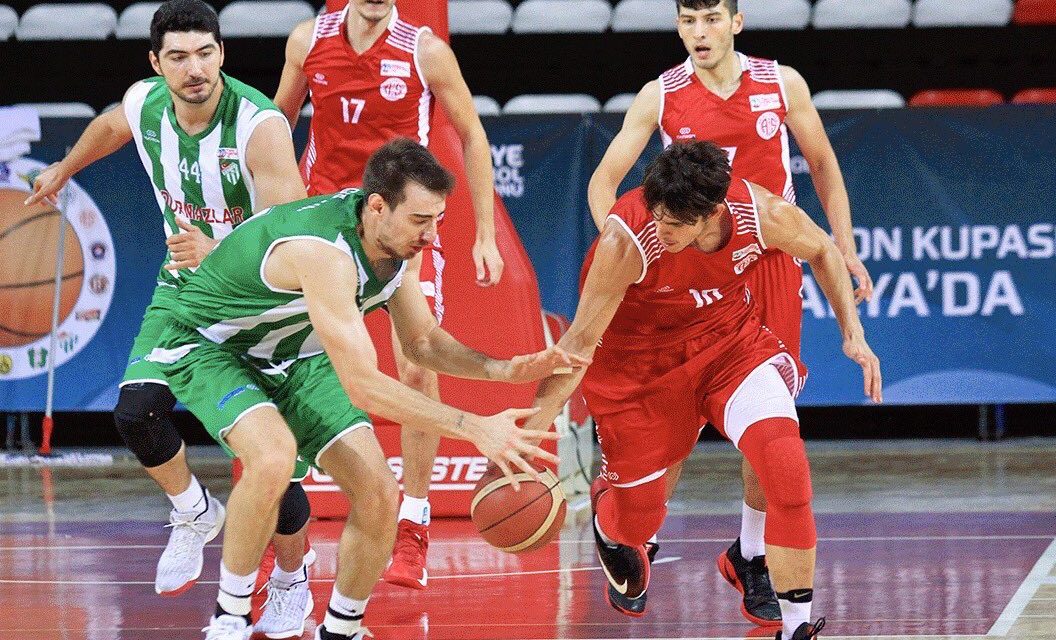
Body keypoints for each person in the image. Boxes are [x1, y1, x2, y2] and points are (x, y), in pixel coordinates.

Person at [147, 139, 583, 640]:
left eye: (437, 219)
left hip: (288, 352)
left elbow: (422, 343)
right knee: (272, 457)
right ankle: (230, 618)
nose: (431, 234)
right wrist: (475, 427)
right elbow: (364, 387)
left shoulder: (396, 247)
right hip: (211, 345)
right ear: (377, 206)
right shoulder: (326, 252)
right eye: (420, 219)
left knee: (379, 491)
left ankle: (341, 628)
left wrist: (506, 370)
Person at [24, 1, 317, 634]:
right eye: (179, 57)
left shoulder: (258, 126)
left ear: (222, 54)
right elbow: (114, 124)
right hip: (185, 292)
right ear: (156, 63)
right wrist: (65, 169)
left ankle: (293, 577)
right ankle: (194, 510)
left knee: (270, 468)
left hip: (260, 305)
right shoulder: (147, 103)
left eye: (206, 53)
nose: (195, 69)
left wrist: (221, 250)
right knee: (135, 412)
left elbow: (293, 235)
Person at [586, 0, 875, 625]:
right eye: (689, 21)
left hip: (765, 254)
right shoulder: (661, 94)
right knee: (682, 403)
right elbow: (604, 180)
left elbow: (823, 164)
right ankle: (640, 527)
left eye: (712, 18)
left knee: (771, 416)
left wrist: (844, 244)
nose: (700, 32)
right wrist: (629, 250)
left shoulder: (781, 82)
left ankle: (751, 552)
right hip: (694, 259)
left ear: (736, 22)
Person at [525, 141, 881, 640]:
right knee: (637, 521)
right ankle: (613, 522)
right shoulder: (626, 241)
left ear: (713, 213)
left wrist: (853, 333)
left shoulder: (761, 214)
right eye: (656, 215)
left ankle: (796, 627)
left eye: (673, 223)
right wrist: (527, 437)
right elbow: (577, 346)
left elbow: (822, 248)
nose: (661, 229)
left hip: (726, 344)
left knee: (784, 462)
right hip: (638, 366)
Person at [271, 0, 503, 590]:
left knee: (418, 364)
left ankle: (414, 523)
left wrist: (484, 232)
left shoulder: (425, 51)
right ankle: (286, 521)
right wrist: (276, 214)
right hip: (326, 228)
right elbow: (273, 130)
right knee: (289, 364)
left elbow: (473, 135)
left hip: (402, 231)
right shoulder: (308, 41)